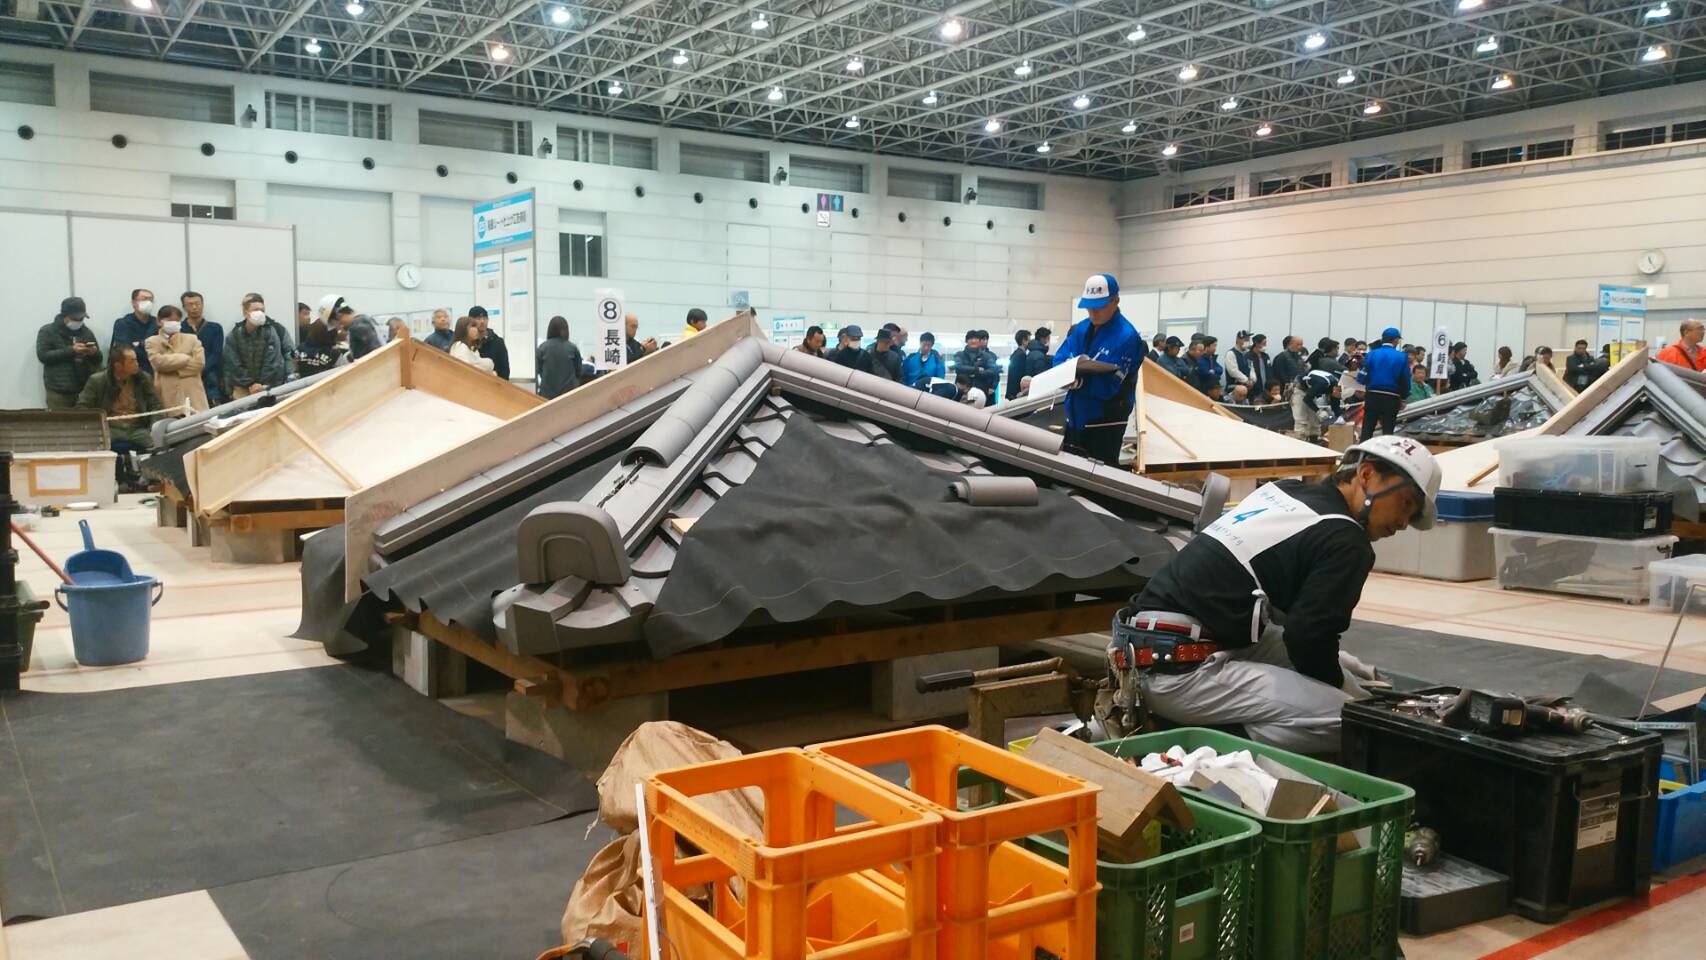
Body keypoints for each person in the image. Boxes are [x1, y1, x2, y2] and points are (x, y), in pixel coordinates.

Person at [1117, 436, 1441, 752]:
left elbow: (1299, 624)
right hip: (1178, 674)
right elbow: (1308, 639)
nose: (1403, 523)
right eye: (1405, 503)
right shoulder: (1345, 540)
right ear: (1367, 475)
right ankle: (1193, 738)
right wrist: (1347, 698)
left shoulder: (1284, 491)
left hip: (1147, 645)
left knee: (1355, 674)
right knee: (1353, 722)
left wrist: (1349, 687)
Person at [1051, 273, 1146, 466]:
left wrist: (1078, 381)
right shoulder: (1082, 328)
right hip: (1075, 417)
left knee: (1097, 475)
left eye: (1100, 307)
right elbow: (1060, 358)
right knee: (1070, 471)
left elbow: (1109, 386)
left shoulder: (1127, 337)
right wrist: (1066, 374)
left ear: (1116, 300)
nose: (1093, 313)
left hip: (1104, 422)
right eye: (1089, 307)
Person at [77, 344, 165, 468]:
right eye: (132, 361)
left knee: (160, 445)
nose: (137, 364)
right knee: (94, 448)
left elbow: (156, 405)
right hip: (110, 428)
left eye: (136, 360)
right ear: (118, 365)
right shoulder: (97, 381)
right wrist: (95, 429)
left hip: (137, 428)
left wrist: (154, 428)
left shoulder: (144, 379)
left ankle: (153, 476)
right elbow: (82, 407)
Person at [37, 296, 102, 409]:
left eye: (82, 318)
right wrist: (71, 351)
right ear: (65, 316)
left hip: (84, 390)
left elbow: (99, 359)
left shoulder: (86, 332)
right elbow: (43, 356)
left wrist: (93, 353)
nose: (79, 322)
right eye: (76, 319)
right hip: (58, 391)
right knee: (60, 420)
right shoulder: (47, 331)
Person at [224, 294, 293, 396]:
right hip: (244, 388)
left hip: (269, 387)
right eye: (255, 310)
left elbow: (273, 361)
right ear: (245, 312)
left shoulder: (272, 331)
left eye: (262, 310)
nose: (260, 313)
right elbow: (233, 364)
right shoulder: (234, 335)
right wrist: (251, 384)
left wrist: (261, 384)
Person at [144, 305, 208, 413]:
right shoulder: (152, 341)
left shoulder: (192, 339)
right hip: (168, 394)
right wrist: (184, 358)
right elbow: (158, 363)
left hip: (193, 393)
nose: (174, 323)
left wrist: (170, 368)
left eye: (177, 321)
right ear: (159, 321)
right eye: (170, 320)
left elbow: (199, 364)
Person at [1356, 327, 1410, 440]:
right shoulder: (1401, 356)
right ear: (1395, 340)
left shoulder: (1371, 354)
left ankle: (1362, 450)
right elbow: (1405, 379)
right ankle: (1385, 450)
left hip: (1372, 396)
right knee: (1388, 431)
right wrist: (1404, 398)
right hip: (1391, 397)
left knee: (1367, 428)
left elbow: (1362, 376)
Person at [180, 291, 225, 406]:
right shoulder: (179, 329)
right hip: (187, 376)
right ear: (184, 307)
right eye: (190, 304)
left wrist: (200, 369)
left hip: (210, 376)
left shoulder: (215, 328)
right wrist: (192, 370)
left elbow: (216, 354)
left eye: (198, 303)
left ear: (203, 305)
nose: (195, 307)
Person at [112, 288, 160, 377]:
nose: (148, 302)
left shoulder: (157, 323)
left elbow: (161, 348)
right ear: (134, 303)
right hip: (131, 373)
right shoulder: (123, 323)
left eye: (151, 300)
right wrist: (149, 348)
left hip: (156, 371)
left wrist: (140, 344)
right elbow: (124, 351)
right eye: (144, 299)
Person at [536, 315, 583, 399]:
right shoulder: (572, 348)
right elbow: (579, 371)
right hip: (569, 395)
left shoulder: (542, 348)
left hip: (547, 395)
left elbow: (538, 370)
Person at [954, 331, 1000, 403]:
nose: (973, 341)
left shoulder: (987, 356)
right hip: (962, 392)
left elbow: (993, 370)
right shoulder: (959, 355)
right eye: (970, 339)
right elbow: (958, 367)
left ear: (979, 341)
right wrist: (976, 369)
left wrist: (977, 373)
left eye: (976, 339)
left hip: (982, 392)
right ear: (966, 341)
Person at [471, 306, 510, 379]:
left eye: (485, 318)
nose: (482, 321)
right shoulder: (468, 342)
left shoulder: (498, 342)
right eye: (478, 318)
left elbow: (505, 370)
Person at [1005, 329, 1032, 400]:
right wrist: (1020, 392)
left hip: (1012, 393)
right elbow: (1019, 375)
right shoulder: (1021, 355)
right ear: (1024, 341)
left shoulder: (1015, 354)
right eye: (1029, 340)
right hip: (1017, 394)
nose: (1030, 342)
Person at [1246, 334, 1272, 398]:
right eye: (1264, 343)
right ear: (1256, 343)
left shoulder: (1266, 356)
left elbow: (1270, 370)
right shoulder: (1248, 356)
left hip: (1266, 387)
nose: (1265, 345)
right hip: (1254, 388)